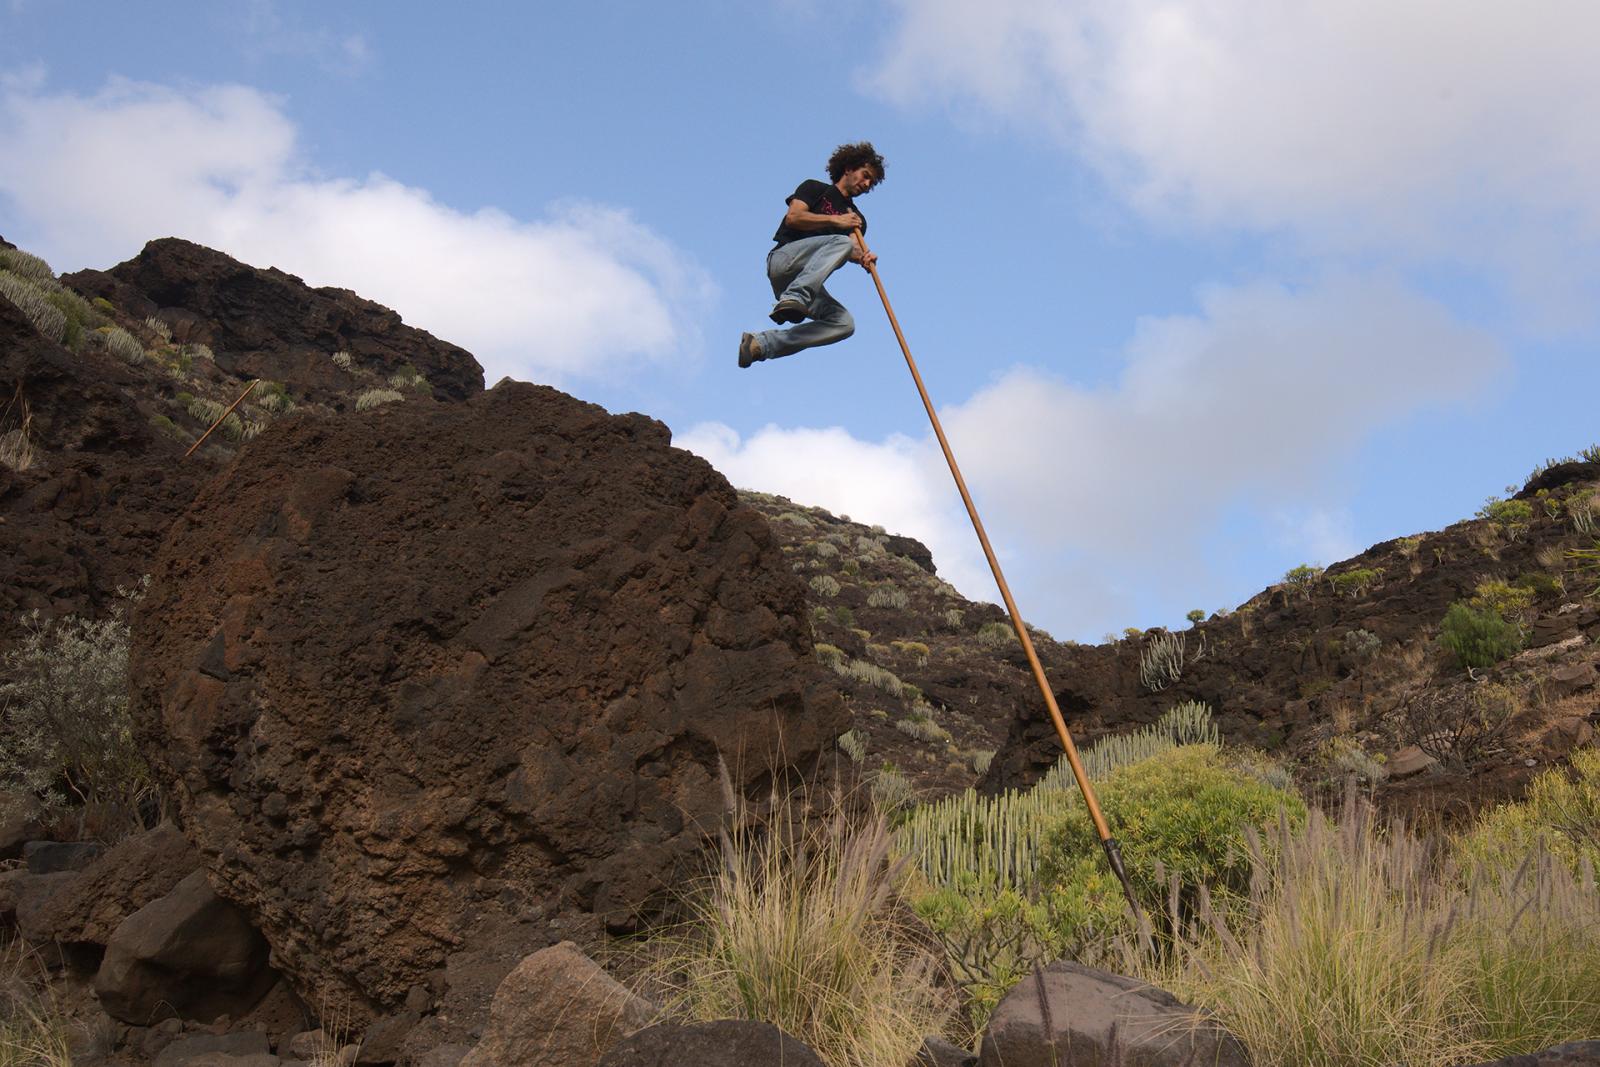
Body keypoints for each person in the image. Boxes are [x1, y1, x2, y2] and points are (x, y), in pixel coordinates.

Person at [738, 142, 885, 369]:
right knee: (841, 241)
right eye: (865, 176)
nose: (866, 185)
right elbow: (794, 217)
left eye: (871, 183)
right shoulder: (814, 188)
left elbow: (852, 249)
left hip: (805, 284)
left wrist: (864, 258)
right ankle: (795, 297)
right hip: (784, 261)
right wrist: (836, 220)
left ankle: (759, 345)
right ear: (848, 168)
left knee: (844, 323)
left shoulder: (857, 220)